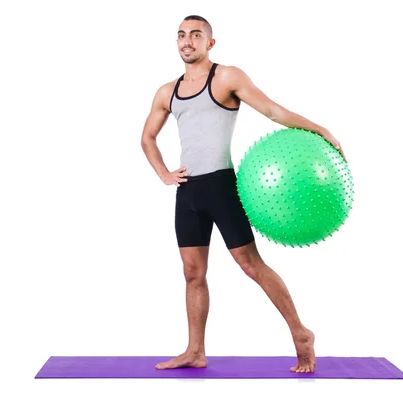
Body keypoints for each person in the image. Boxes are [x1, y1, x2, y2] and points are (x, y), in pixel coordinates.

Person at [140, 15, 345, 373]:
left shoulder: (227, 77)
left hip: (221, 186)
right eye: (181, 36)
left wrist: (319, 128)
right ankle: (195, 350)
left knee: (250, 264)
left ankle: (301, 333)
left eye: (196, 35)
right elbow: (146, 137)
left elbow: (271, 110)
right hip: (188, 191)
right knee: (192, 273)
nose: (187, 41)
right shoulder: (166, 92)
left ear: (210, 43)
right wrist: (163, 173)